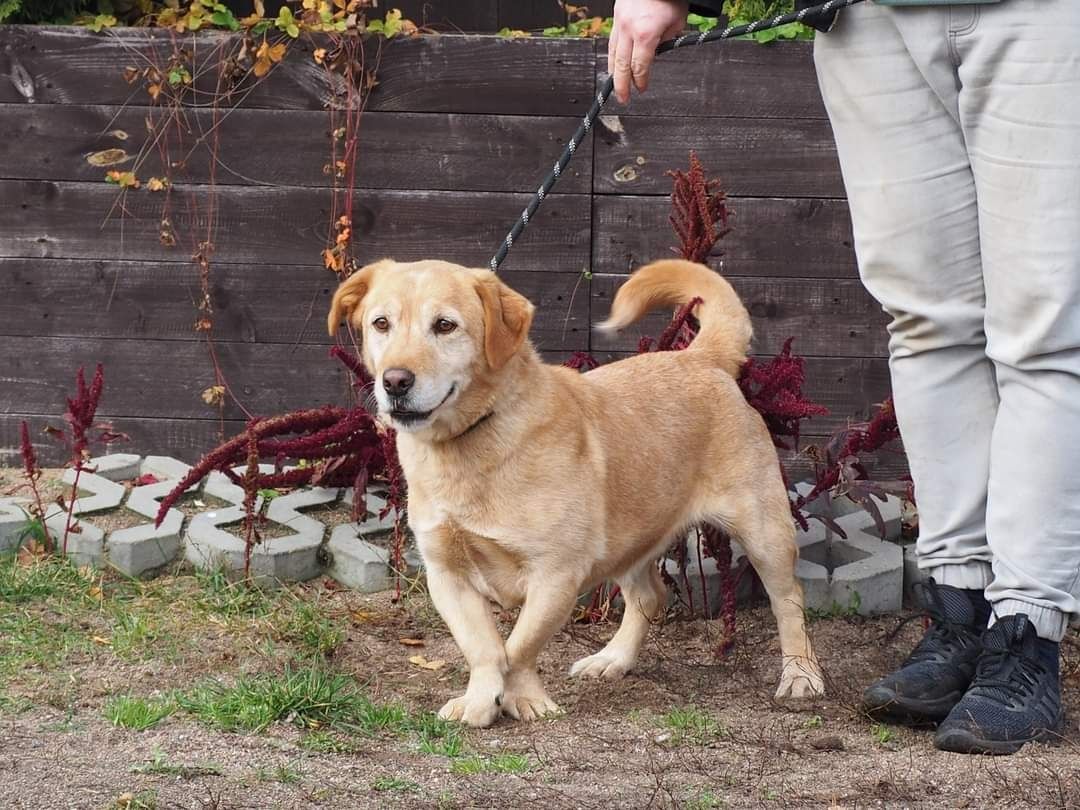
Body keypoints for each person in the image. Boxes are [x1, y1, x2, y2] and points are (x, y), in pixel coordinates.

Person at [608, 0, 1078, 755]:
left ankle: (1026, 637)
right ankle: (959, 610)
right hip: (872, 20)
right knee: (927, 324)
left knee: (1041, 334)